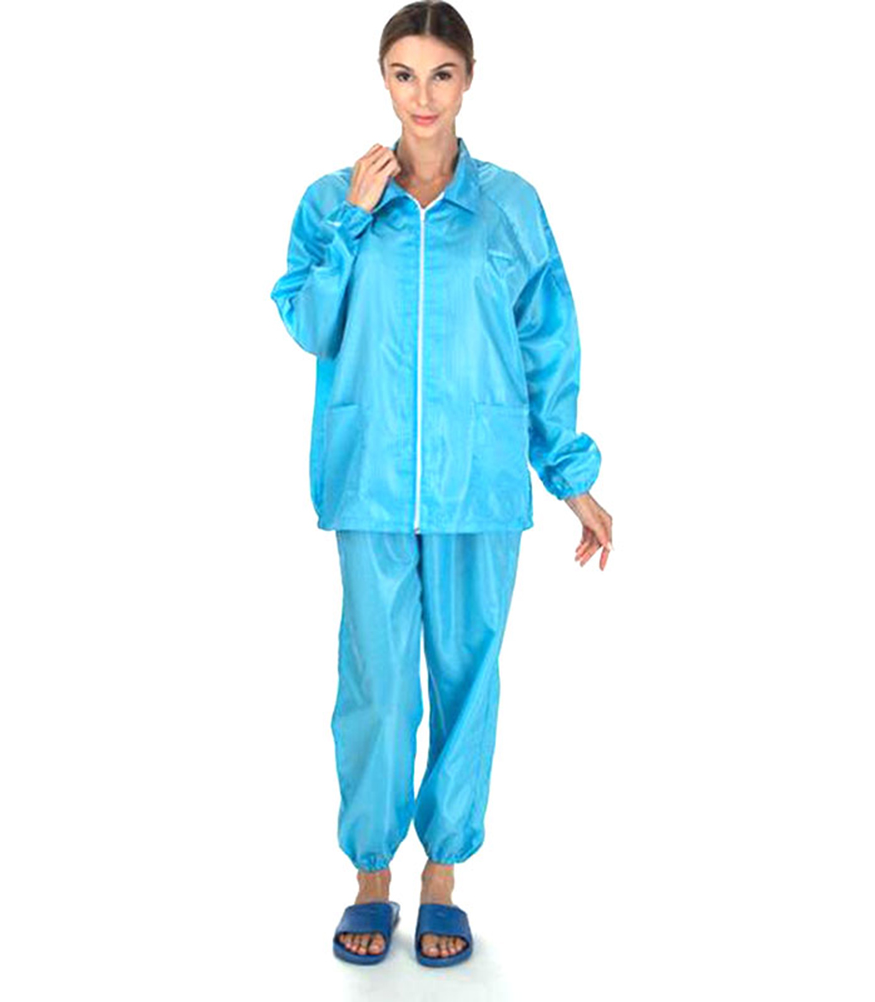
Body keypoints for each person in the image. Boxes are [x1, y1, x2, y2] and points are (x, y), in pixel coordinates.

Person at [270, 0, 613, 968]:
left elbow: (548, 347)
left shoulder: (510, 207)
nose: (421, 96)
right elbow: (308, 324)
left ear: (468, 80)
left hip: (479, 483)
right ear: (383, 80)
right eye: (403, 74)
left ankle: (442, 880)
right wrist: (352, 220)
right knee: (377, 686)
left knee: (468, 680)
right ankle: (371, 875)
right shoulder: (333, 199)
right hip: (371, 483)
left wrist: (571, 476)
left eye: (441, 74)